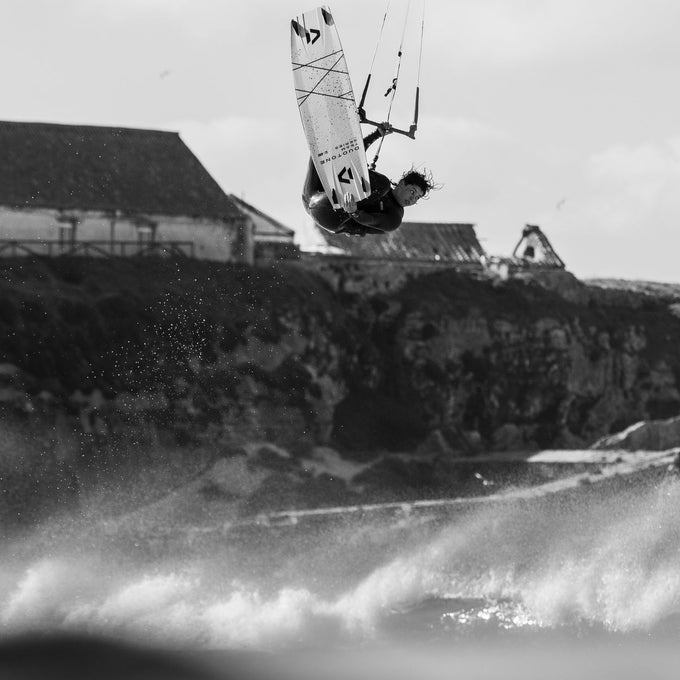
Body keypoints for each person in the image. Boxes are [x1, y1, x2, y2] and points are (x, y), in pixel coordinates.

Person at [301, 124, 434, 236]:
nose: (412, 200)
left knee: (382, 183)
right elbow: (353, 159)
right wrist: (376, 134)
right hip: (311, 196)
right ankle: (331, 126)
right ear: (402, 183)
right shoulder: (377, 188)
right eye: (412, 192)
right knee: (325, 150)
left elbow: (371, 220)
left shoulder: (394, 218)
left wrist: (354, 212)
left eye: (417, 198)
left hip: (330, 215)